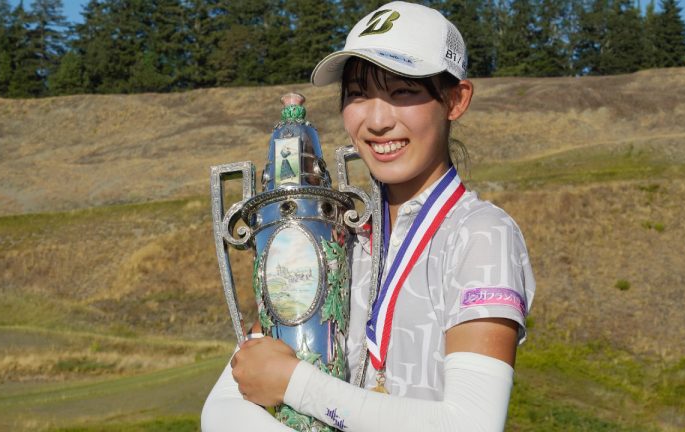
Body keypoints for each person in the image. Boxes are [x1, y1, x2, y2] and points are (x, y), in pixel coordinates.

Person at [201, 2, 535, 431]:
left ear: (455, 99)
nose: (377, 121)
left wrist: (294, 384)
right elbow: (229, 400)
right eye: (358, 94)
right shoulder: (335, 233)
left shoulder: (481, 235)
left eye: (403, 92)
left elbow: (470, 424)